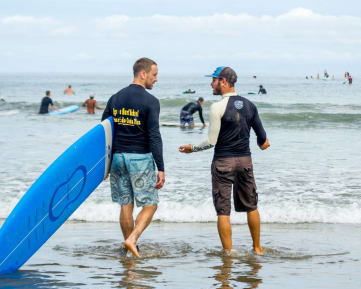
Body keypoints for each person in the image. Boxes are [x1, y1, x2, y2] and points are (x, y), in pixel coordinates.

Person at [179, 66, 270, 255]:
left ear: (224, 82)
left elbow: (211, 141)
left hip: (223, 163)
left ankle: (229, 253)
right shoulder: (250, 105)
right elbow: (263, 141)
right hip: (245, 161)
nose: (211, 83)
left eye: (213, 80)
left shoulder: (217, 107)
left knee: (223, 211)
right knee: (251, 206)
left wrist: (192, 148)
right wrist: (262, 143)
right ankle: (258, 248)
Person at [101, 57, 165, 258]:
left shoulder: (115, 98)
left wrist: (104, 164)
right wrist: (161, 167)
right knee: (151, 204)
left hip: (118, 159)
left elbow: (104, 130)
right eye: (154, 75)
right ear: (143, 74)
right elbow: (154, 136)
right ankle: (132, 239)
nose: (155, 79)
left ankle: (132, 251)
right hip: (139, 159)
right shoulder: (151, 101)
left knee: (126, 205)